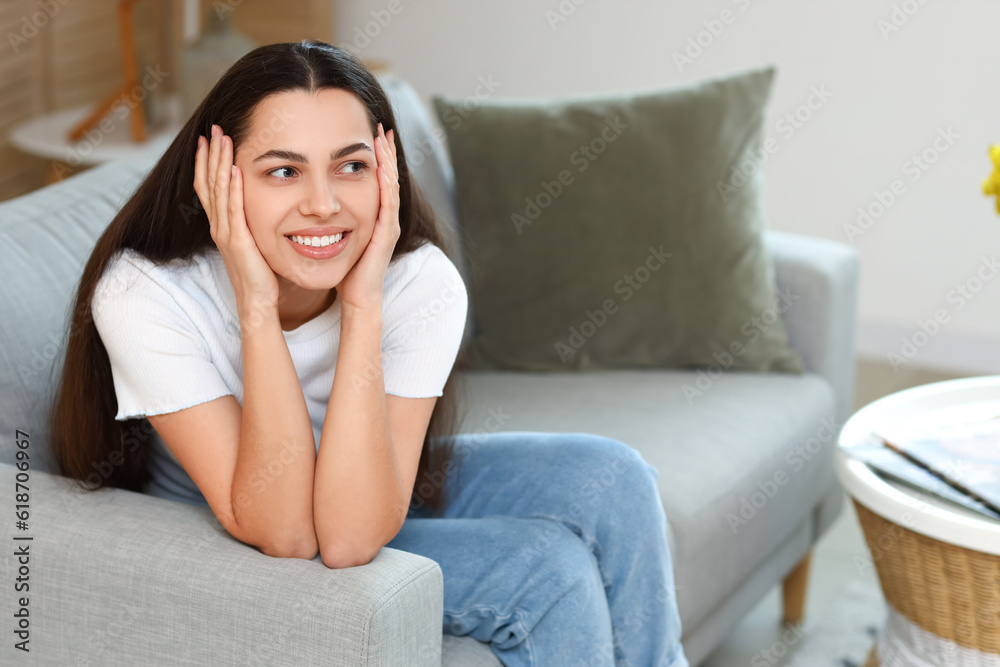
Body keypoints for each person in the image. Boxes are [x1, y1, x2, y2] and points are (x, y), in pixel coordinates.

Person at [48, 40, 690, 667]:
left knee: (616, 478)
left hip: (366, 489)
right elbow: (297, 535)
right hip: (238, 527)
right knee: (547, 570)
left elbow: (358, 518)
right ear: (218, 178)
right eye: (283, 170)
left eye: (351, 166)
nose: (324, 204)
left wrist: (363, 304)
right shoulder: (145, 292)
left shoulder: (420, 282)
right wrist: (256, 304)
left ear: (386, 171)